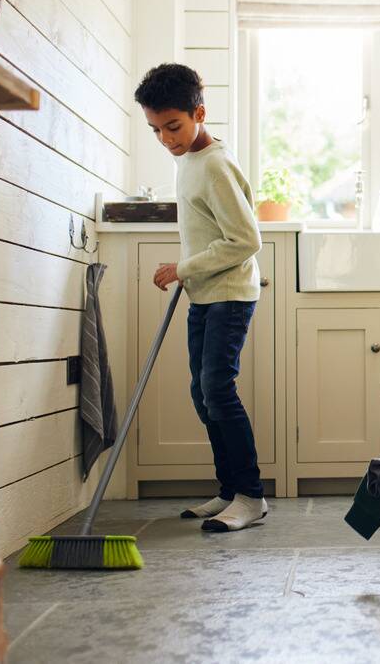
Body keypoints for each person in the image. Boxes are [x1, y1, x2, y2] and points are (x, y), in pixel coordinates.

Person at [134, 63, 267, 532]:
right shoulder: (187, 161)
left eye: (173, 126)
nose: (166, 138)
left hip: (230, 294)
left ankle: (251, 496)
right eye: (155, 130)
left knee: (217, 388)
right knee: (202, 392)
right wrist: (190, 271)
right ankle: (229, 490)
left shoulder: (214, 164)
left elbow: (245, 239)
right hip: (206, 294)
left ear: (199, 113)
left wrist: (182, 268)